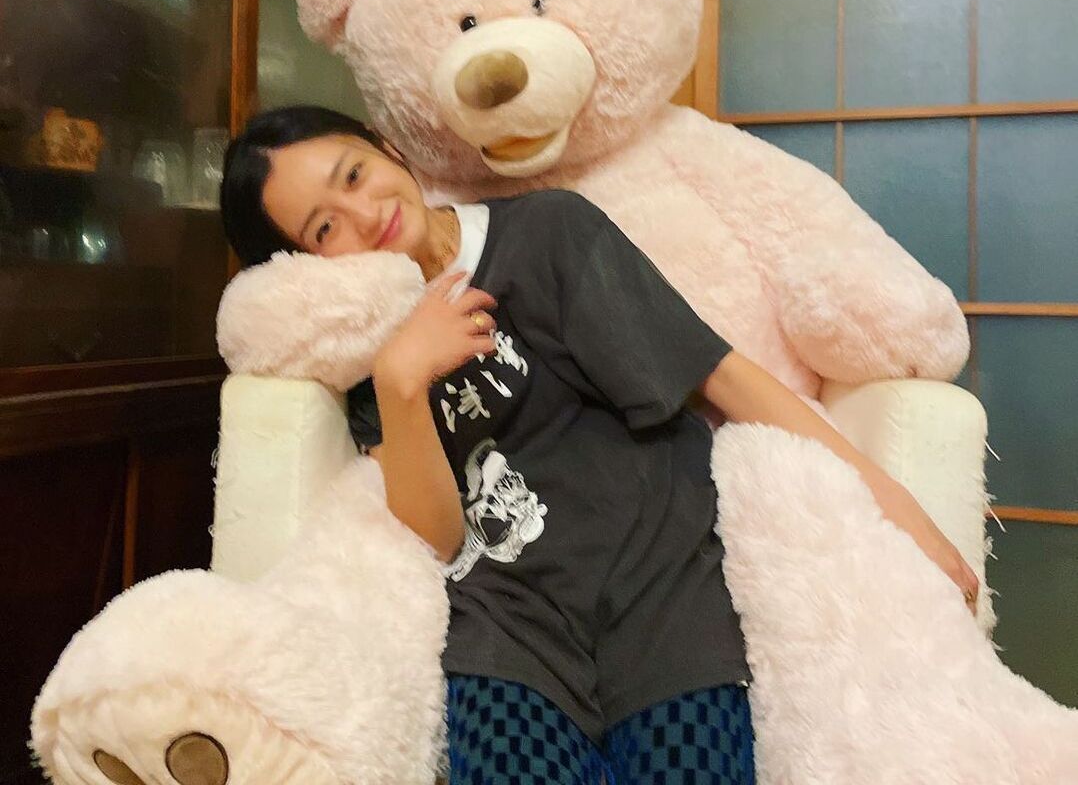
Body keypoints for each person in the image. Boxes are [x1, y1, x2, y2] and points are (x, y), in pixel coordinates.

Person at [220, 105, 980, 785]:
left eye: (354, 175)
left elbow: (722, 376)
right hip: (508, 634)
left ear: (386, 150)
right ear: (299, 264)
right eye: (323, 229)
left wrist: (900, 512)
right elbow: (438, 536)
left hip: (664, 599)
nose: (364, 215)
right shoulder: (359, 352)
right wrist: (398, 381)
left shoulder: (549, 233)